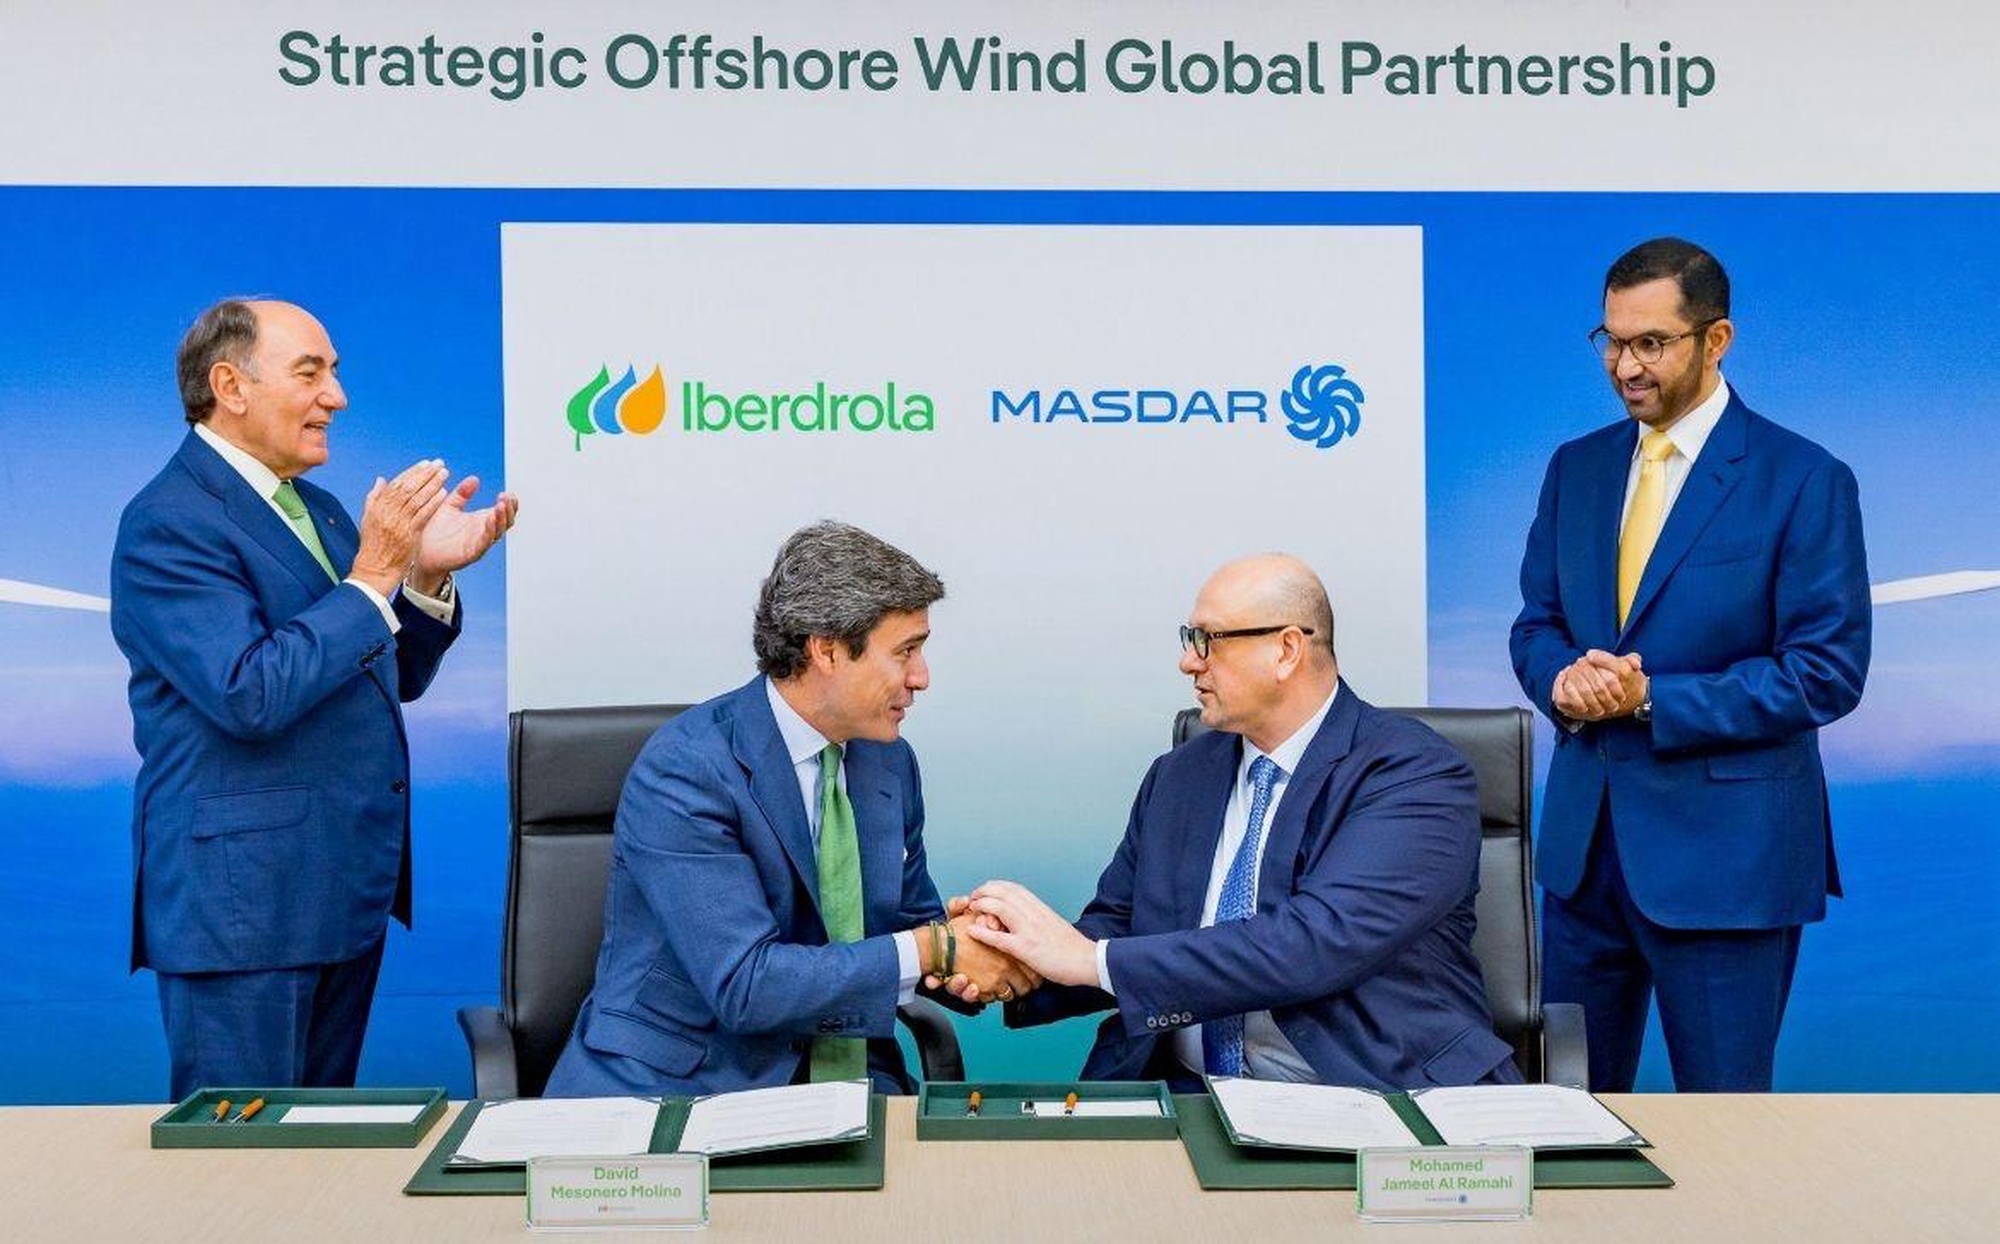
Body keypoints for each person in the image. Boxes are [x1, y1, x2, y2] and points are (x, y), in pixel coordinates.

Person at [111, 298, 518, 1100]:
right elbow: (249, 692)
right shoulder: (168, 522)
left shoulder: (320, 509)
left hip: (339, 897)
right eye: (311, 373)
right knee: (241, 1164)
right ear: (230, 386)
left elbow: (386, 674)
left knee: (318, 1153)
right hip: (243, 917)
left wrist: (423, 578)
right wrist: (373, 575)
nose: (337, 396)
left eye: (334, 372)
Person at [1510, 238, 1870, 1092]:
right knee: (1564, 1124)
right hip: (1583, 863)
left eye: (1651, 343)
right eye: (1610, 341)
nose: (1625, 366)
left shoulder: (1803, 478)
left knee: (1729, 1130)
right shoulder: (1576, 469)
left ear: (1717, 340)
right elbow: (1537, 625)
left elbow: (1825, 671)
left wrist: (1649, 699)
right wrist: (1562, 679)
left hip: (1727, 868)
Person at [964, 554, 1518, 1092]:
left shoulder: (1414, 774)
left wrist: (1089, 960)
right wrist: (995, 953)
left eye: (1208, 639)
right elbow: (1122, 928)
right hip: (1189, 1092)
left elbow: (1311, 943)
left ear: (1286, 650)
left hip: (1369, 1095)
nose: (1189, 662)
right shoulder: (1179, 776)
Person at [546, 521, 1034, 1097]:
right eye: (905, 651)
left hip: (850, 1073)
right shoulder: (687, 769)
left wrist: (973, 947)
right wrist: (936, 947)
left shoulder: (889, 762)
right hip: (685, 1083)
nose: (921, 678)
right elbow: (746, 986)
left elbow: (907, 926)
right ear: (826, 649)